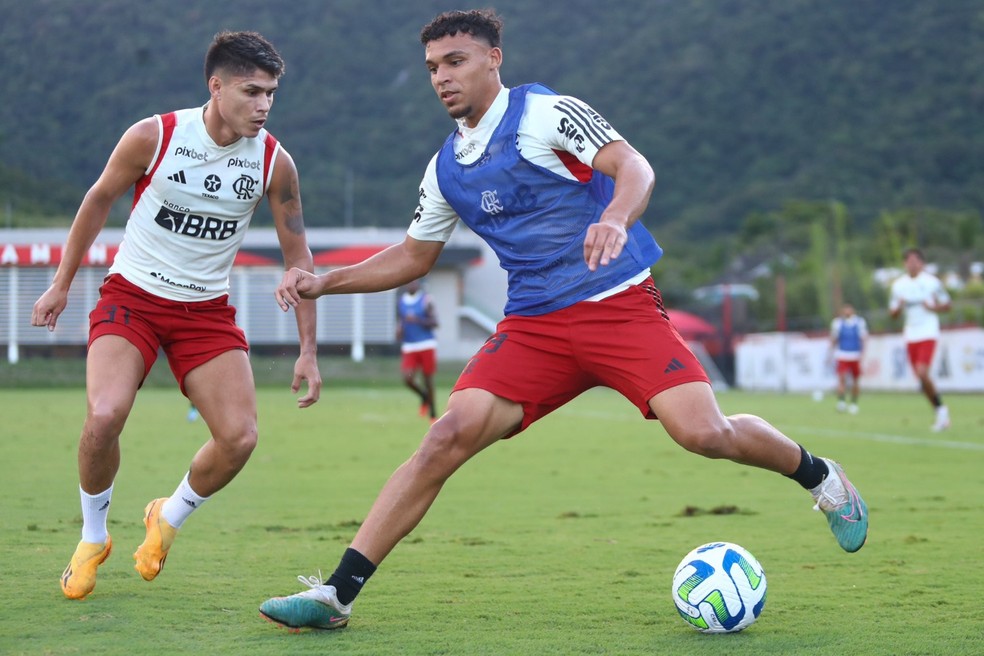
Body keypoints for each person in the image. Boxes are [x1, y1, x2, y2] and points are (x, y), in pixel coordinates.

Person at [259, 9, 868, 631]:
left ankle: (822, 479)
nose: (443, 77)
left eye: (457, 61)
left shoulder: (546, 113)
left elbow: (634, 167)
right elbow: (415, 255)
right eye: (433, 68)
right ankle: (337, 595)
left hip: (619, 308)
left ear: (495, 58)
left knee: (703, 434)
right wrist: (325, 281)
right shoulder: (445, 168)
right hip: (534, 328)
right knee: (445, 437)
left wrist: (614, 219)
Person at [31, 31, 322, 600]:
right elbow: (97, 199)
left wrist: (308, 348)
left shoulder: (275, 163)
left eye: (271, 95)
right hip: (132, 298)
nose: (263, 106)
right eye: (251, 92)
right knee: (105, 415)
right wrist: (60, 285)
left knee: (239, 438)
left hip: (205, 311)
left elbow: (299, 259)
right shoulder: (155, 135)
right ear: (216, 87)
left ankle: (166, 517)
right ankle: (93, 536)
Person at [889, 247, 952, 431]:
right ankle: (940, 411)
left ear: (922, 263)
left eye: (915, 261)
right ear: (904, 264)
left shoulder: (932, 283)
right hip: (911, 334)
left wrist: (933, 308)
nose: (912, 264)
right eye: (908, 261)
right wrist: (898, 307)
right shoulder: (898, 285)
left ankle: (941, 411)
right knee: (921, 379)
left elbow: (947, 304)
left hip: (928, 332)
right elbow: (892, 314)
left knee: (923, 373)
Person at [397, 278, 440, 421]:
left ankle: (433, 414)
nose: (411, 284)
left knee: (428, 380)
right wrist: (399, 330)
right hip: (409, 345)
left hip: (426, 344)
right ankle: (424, 396)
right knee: (407, 378)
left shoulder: (426, 300)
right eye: (408, 282)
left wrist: (417, 320)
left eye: (413, 282)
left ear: (418, 284)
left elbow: (435, 322)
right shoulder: (401, 301)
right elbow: (401, 322)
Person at [829, 303, 868, 414]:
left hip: (855, 355)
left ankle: (854, 403)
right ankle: (841, 402)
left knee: (856, 381)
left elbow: (863, 338)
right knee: (842, 378)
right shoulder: (837, 323)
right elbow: (834, 339)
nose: (847, 311)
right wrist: (830, 352)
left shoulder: (860, 322)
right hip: (842, 355)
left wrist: (863, 353)